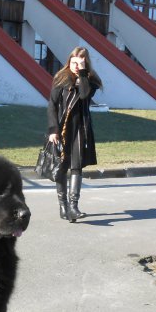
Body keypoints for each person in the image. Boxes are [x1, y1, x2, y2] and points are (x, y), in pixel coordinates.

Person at [46, 47, 103, 223]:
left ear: (85, 63)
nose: (75, 66)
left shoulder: (91, 80)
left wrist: (83, 74)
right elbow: (52, 105)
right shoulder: (61, 78)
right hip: (62, 129)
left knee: (76, 166)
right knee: (61, 166)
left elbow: (85, 94)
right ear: (68, 61)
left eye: (80, 63)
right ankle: (63, 206)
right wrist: (53, 130)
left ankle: (73, 206)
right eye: (73, 62)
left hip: (80, 128)